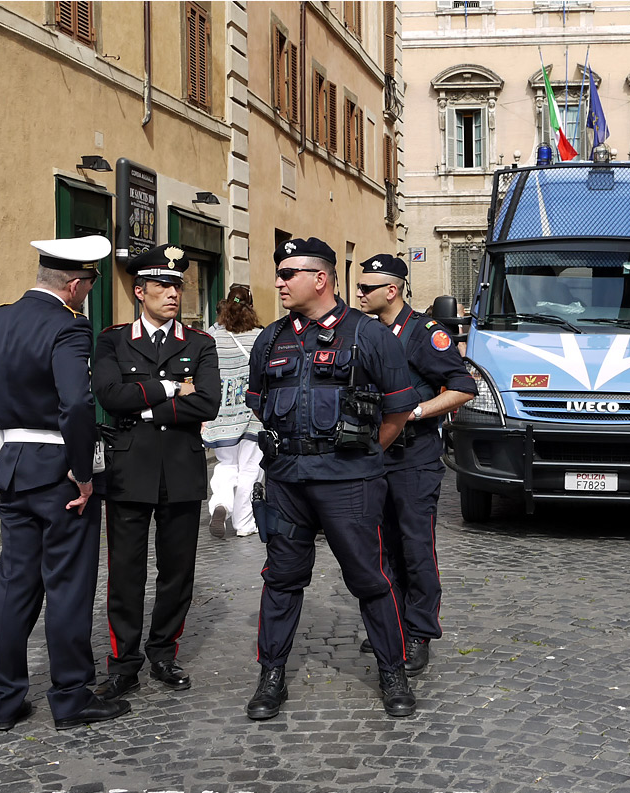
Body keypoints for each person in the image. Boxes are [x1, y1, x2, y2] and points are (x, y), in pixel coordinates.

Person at [243, 237, 421, 720]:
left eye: (288, 274)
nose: (278, 282)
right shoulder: (271, 338)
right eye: (278, 273)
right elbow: (259, 401)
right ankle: (271, 676)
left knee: (370, 578)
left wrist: (363, 454)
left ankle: (393, 673)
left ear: (319, 278)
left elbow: (398, 408)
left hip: (349, 480)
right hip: (286, 480)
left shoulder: (369, 334)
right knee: (281, 579)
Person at [0, 234, 130, 732]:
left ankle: (5, 700)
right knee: (69, 586)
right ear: (75, 285)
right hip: (60, 474)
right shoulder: (68, 329)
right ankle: (71, 696)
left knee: (15, 586)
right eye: (88, 286)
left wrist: (12, 431)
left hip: (12, 469)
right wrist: (80, 471)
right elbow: (76, 404)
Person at [91, 244, 221, 702]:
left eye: (178, 284)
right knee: (125, 572)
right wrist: (169, 390)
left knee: (177, 571)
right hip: (129, 470)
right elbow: (108, 394)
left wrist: (144, 407)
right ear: (138, 290)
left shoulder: (200, 344)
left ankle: (163, 651)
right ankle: (123, 662)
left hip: (182, 470)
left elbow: (207, 402)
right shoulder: (112, 340)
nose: (173, 292)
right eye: (163, 285)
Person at [355, 255, 477, 677]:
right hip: (373, 455)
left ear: (391, 290)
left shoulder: (426, 333)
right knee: (379, 547)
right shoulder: (365, 331)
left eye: (366, 287)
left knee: (415, 546)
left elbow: (464, 388)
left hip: (413, 457)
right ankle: (392, 627)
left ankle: (420, 631)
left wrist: (417, 411)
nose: (358, 293)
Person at [202, 284, 264, 538]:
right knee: (251, 466)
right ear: (250, 307)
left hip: (221, 411)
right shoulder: (260, 336)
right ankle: (243, 522)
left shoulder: (211, 337)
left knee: (226, 464)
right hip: (252, 412)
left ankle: (221, 504)